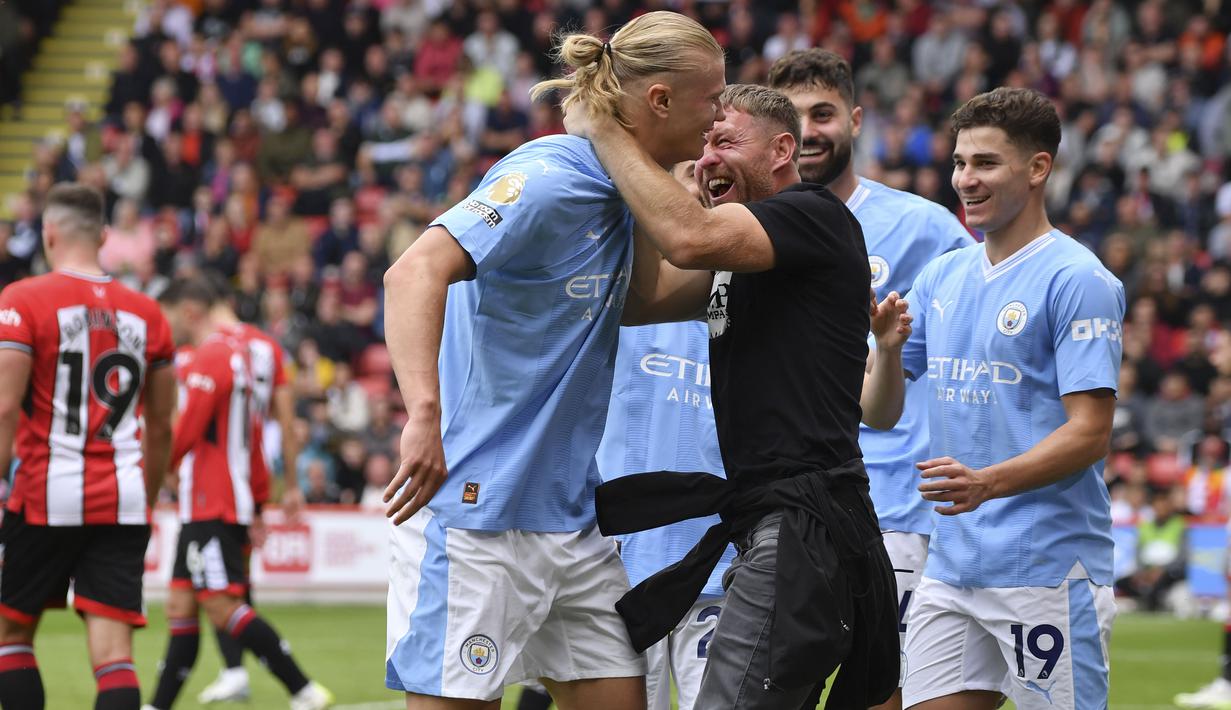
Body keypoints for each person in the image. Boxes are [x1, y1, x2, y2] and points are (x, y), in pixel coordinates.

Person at [380, 11, 726, 710]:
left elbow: (645, 299)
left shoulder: (628, 192)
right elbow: (411, 273)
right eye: (711, 97)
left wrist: (770, 275)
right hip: (478, 513)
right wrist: (422, 412)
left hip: (569, 520)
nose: (719, 115)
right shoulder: (547, 178)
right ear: (658, 101)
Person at [566, 83, 900, 709]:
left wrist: (613, 134)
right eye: (704, 143)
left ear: (781, 149)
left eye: (724, 141)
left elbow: (687, 237)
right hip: (784, 527)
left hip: (804, 529)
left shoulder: (813, 214)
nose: (708, 157)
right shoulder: (742, 261)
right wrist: (649, 177)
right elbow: (644, 299)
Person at [860, 87, 1124, 709]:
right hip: (952, 565)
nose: (965, 179)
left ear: (1038, 169)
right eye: (959, 163)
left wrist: (988, 482)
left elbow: (1090, 432)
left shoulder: (1078, 279)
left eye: (985, 163)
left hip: (1044, 567)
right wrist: (889, 352)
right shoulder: (941, 276)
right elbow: (880, 412)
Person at [766, 48, 974, 710]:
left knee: (873, 689)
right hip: (778, 503)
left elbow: (971, 349)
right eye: (791, 117)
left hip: (889, 502)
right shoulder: (743, 228)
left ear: (855, 120)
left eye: (821, 113)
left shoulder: (924, 229)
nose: (806, 131)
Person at [0, 183, 176, 710]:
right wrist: (141, 495)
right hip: (121, 497)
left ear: (49, 233)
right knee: (114, 653)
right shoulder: (149, 313)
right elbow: (163, 424)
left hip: (44, 494)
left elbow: (5, 406)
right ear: (102, 236)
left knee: (10, 635)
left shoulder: (22, 300)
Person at [144, 280, 331, 710]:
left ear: (189, 309)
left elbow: (189, 428)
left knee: (223, 607)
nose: (166, 328)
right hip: (212, 499)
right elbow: (252, 435)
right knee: (180, 605)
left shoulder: (213, 354)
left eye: (169, 316)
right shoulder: (241, 355)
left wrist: (155, 472)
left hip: (213, 500)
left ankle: (303, 690)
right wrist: (261, 498)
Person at [195, 271, 305, 705]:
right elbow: (285, 420)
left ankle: (286, 681)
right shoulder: (267, 347)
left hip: (212, 479)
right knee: (232, 580)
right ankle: (236, 671)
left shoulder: (208, 346)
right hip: (252, 475)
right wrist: (289, 484)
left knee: (216, 586)